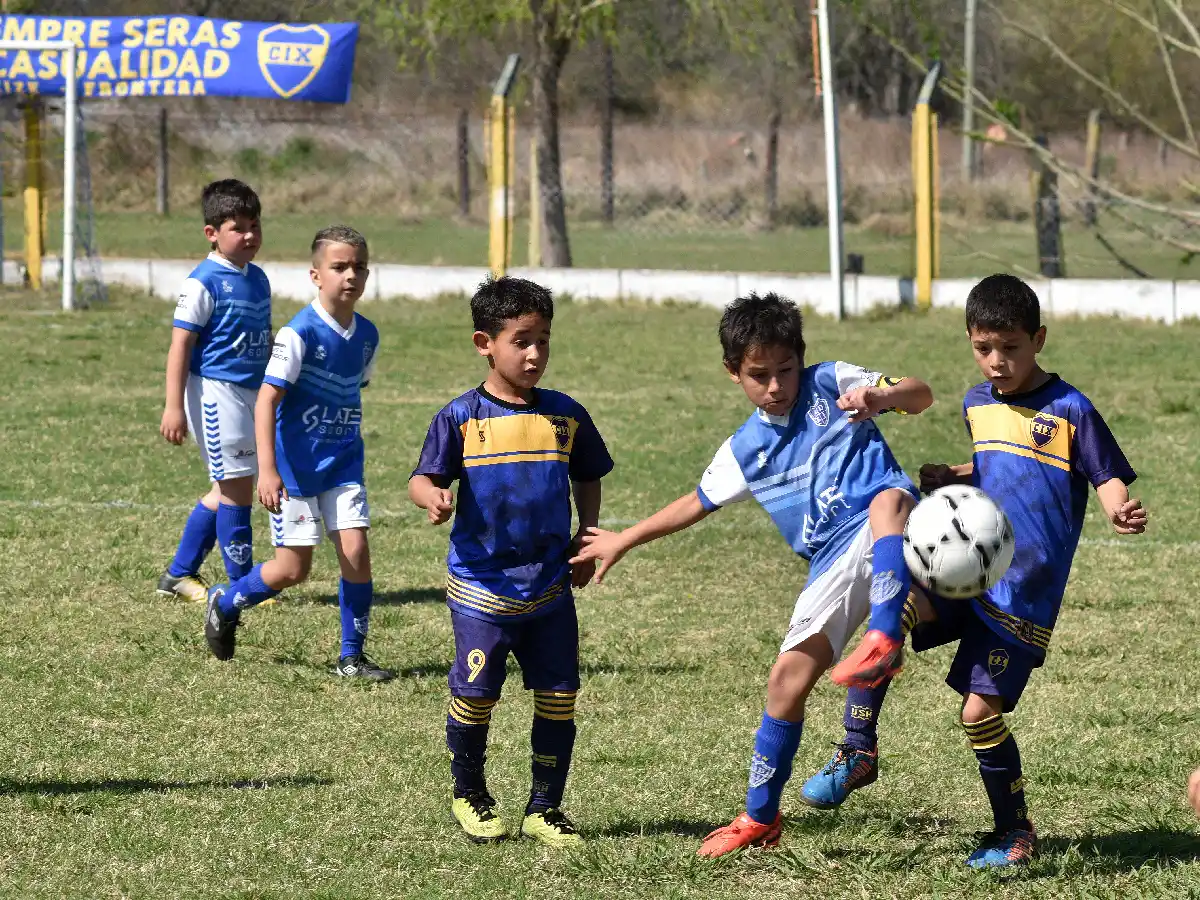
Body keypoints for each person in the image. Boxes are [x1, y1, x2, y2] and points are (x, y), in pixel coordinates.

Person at [802, 274, 1147, 869]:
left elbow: (1103, 473)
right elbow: (998, 465)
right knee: (892, 606)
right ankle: (858, 748)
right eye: (984, 348)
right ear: (970, 341)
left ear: (1038, 340)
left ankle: (1013, 829)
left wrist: (1118, 506)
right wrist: (958, 475)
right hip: (969, 567)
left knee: (978, 712)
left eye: (1011, 348)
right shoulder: (976, 402)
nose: (997, 362)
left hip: (1025, 592)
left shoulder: (1071, 410)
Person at [570, 292, 933, 858]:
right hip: (830, 563)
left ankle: (883, 639)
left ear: (801, 359)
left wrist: (881, 395)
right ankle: (760, 817)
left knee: (889, 499)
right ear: (733, 373)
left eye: (785, 370)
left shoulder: (834, 382)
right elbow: (695, 501)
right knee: (784, 683)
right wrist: (624, 538)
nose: (776, 385)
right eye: (759, 375)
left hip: (889, 526)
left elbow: (922, 394)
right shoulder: (745, 450)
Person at [409, 276, 614, 848]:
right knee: (477, 696)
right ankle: (469, 794)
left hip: (549, 587)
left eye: (544, 340)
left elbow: (588, 473)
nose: (535, 354)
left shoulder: (566, 416)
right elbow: (423, 477)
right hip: (483, 588)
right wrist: (434, 497)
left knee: (558, 695)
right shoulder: (461, 417)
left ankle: (545, 807)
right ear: (485, 342)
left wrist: (587, 533)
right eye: (522, 340)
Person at [203, 225, 393, 681]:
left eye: (359, 267)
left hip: (344, 463)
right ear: (316, 275)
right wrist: (267, 471)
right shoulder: (298, 334)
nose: (350, 275)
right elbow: (267, 400)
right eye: (339, 266)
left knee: (357, 551)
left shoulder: (367, 335)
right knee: (292, 569)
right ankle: (226, 602)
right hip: (295, 470)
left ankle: (352, 657)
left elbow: (354, 390)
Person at [157, 179, 270, 602]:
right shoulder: (202, 282)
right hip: (215, 393)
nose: (249, 235)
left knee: (226, 488)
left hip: (251, 395)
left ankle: (177, 575)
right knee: (237, 488)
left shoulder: (257, 278)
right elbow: (180, 346)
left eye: (254, 225)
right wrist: (173, 407)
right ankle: (244, 587)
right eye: (237, 227)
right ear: (212, 233)